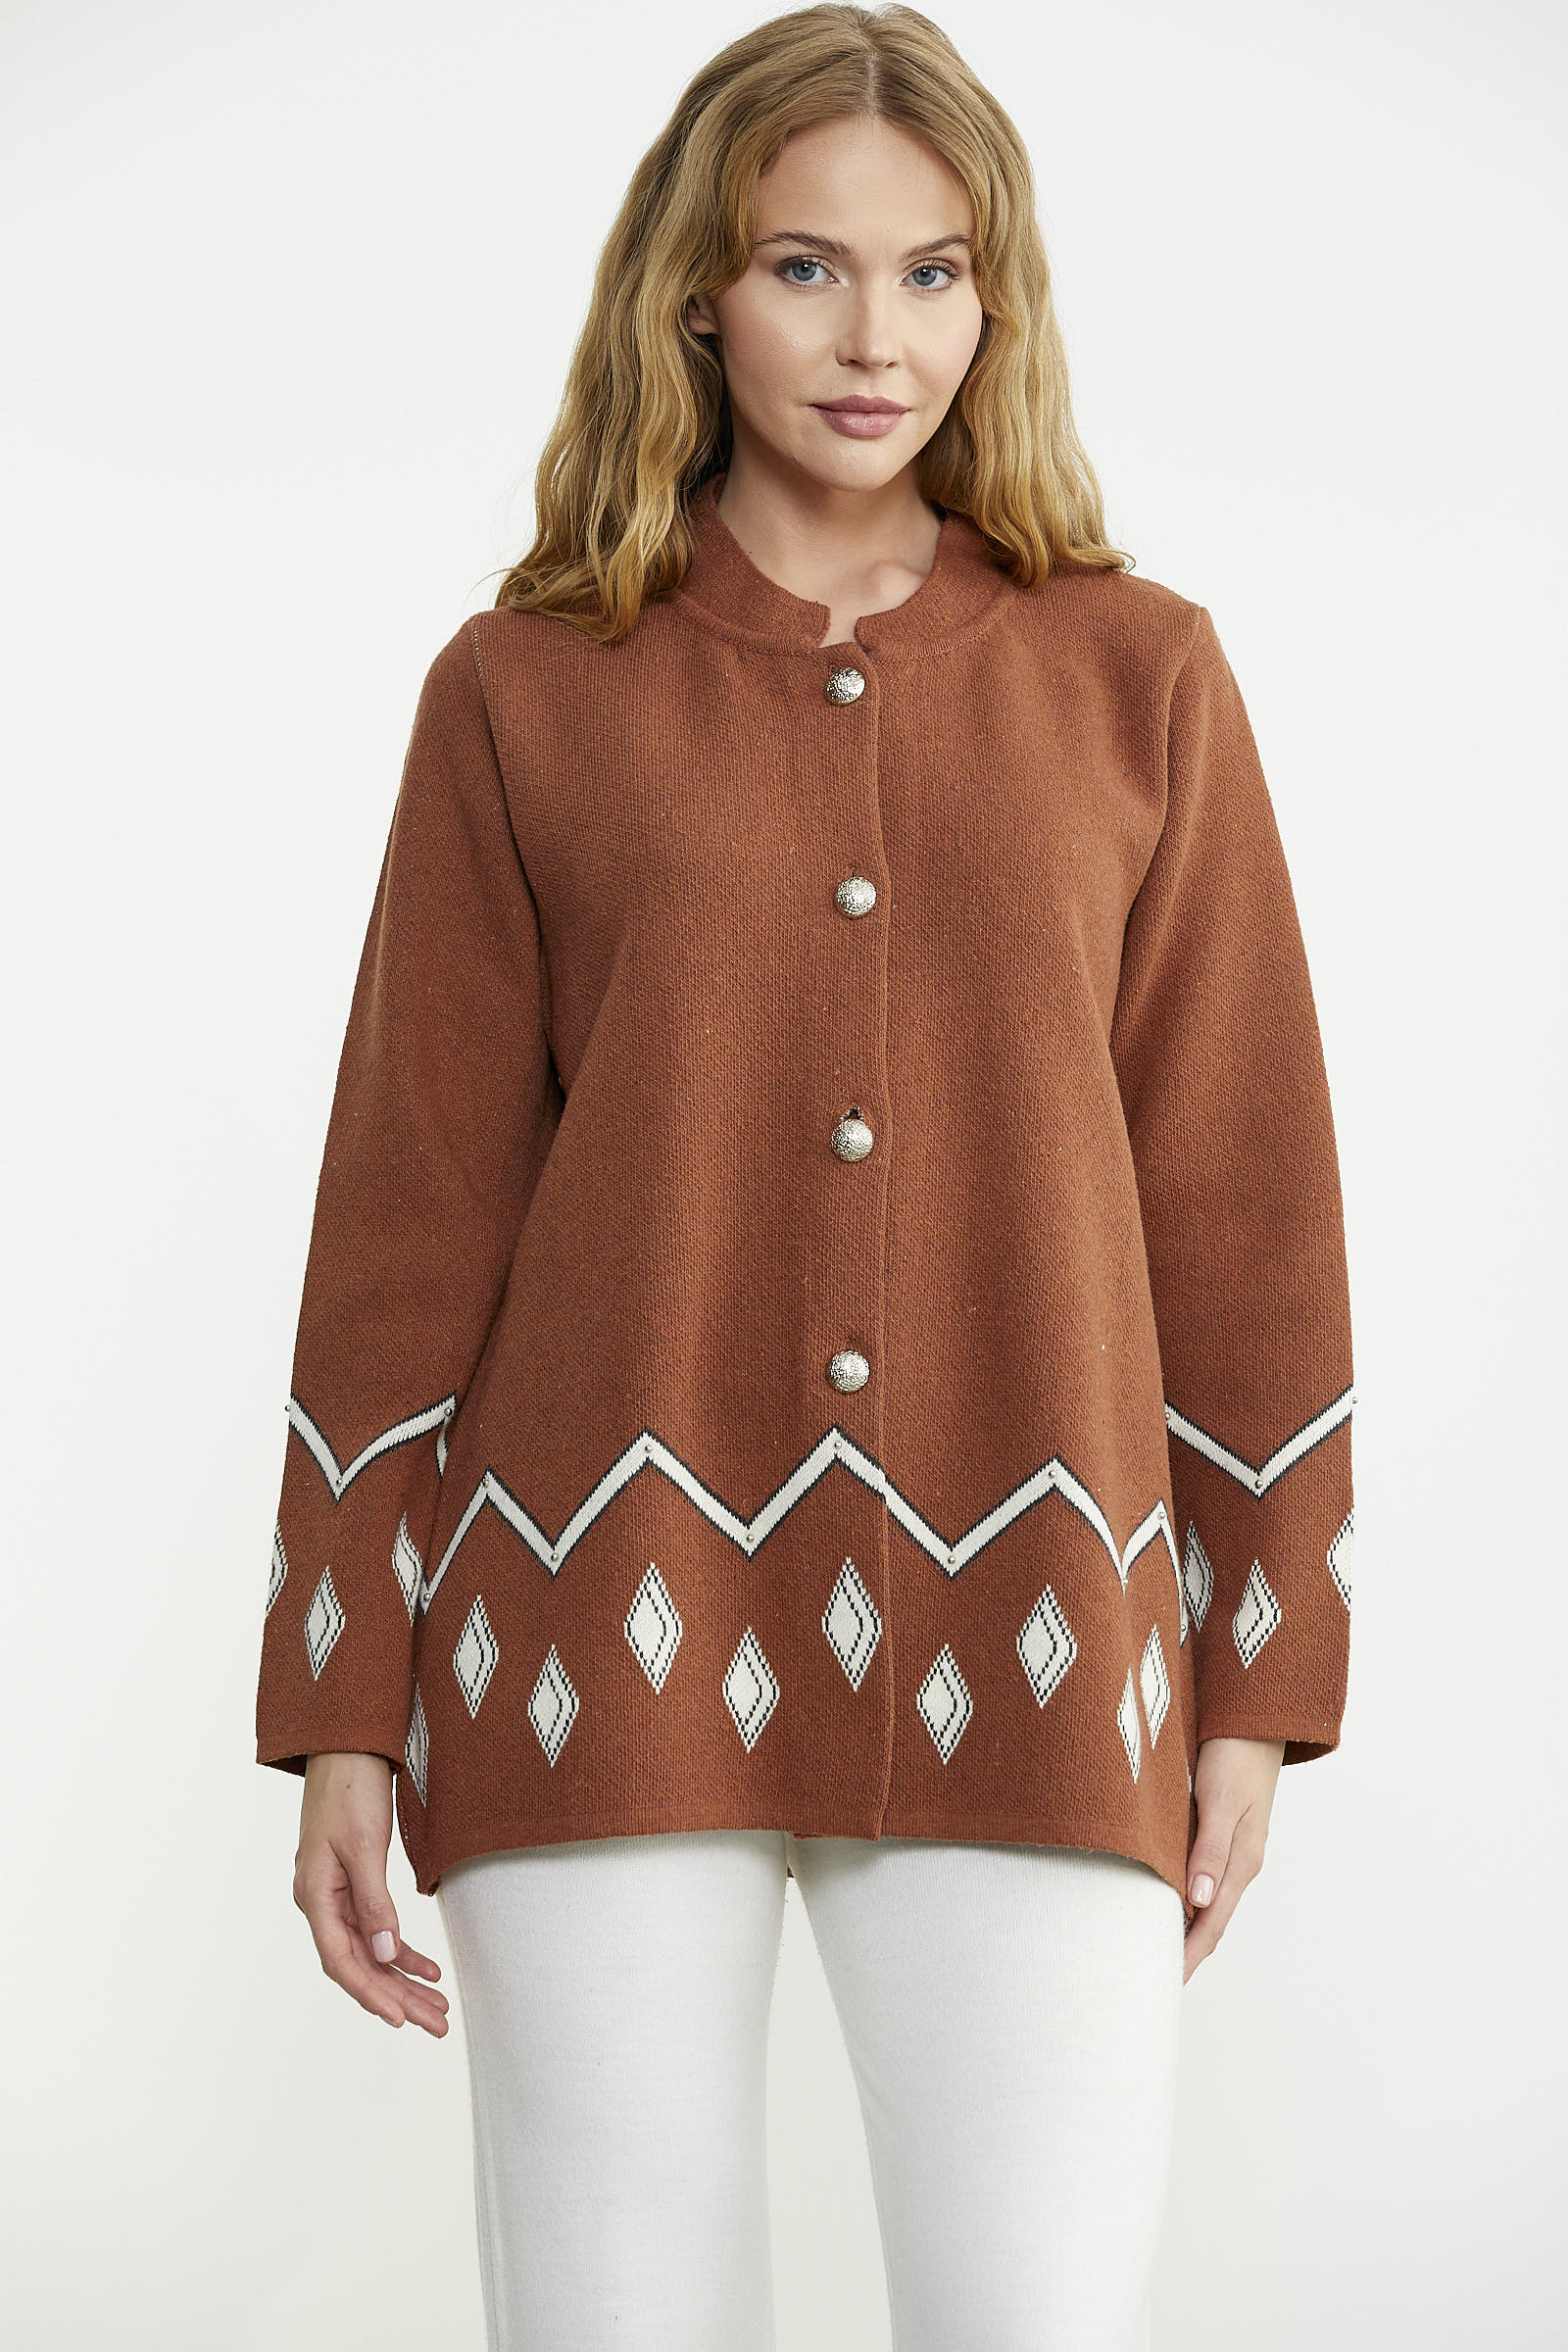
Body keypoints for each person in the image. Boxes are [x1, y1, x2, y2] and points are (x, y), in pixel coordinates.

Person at [255, 7, 1355, 2345]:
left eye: (933, 272)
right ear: (694, 293)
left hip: (1041, 1624)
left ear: (993, 298)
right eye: (806, 268)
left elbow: (1241, 1190)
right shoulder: (520, 691)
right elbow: (412, 1204)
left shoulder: (1137, 679)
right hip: (587, 1627)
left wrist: (1253, 1674)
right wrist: (346, 1695)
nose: (877, 338)